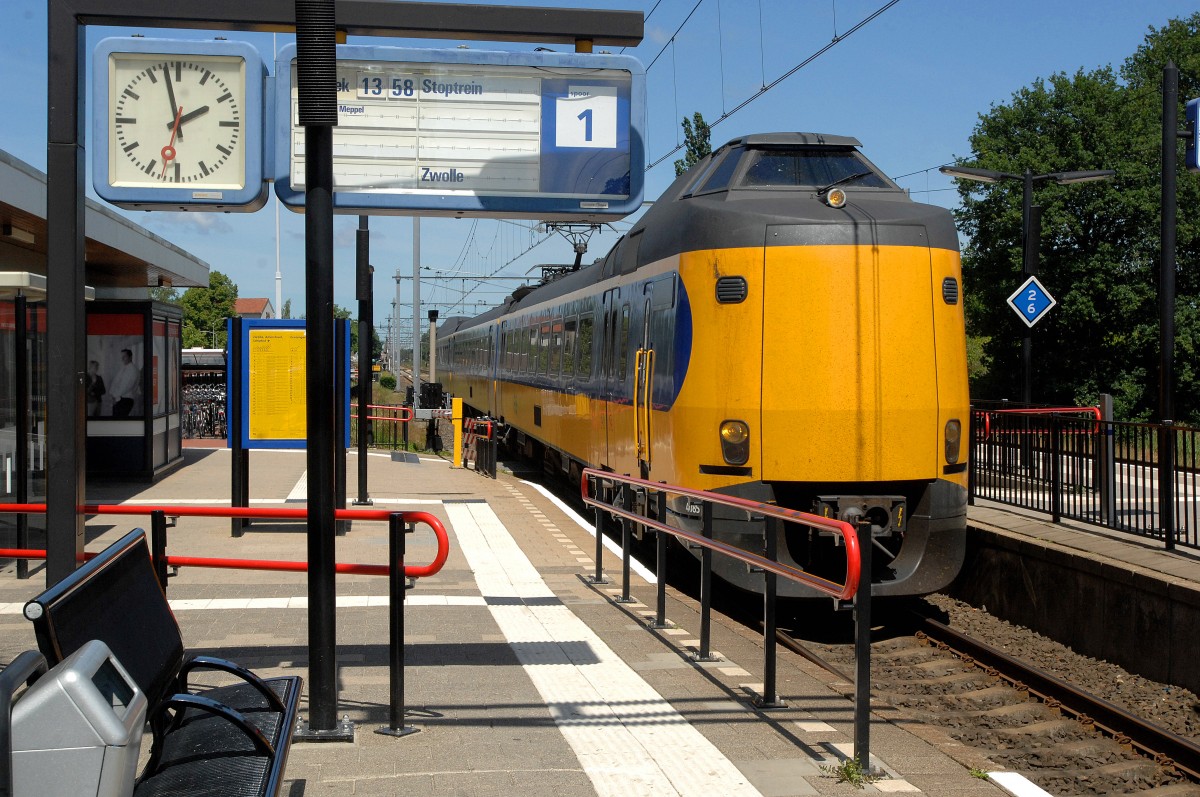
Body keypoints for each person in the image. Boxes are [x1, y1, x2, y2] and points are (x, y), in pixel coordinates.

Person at [109, 348, 140, 417]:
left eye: (124, 356)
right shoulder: (123, 368)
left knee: (119, 421)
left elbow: (125, 386)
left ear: (130, 357)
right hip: (118, 399)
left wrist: (114, 395)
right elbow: (115, 382)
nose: (122, 359)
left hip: (125, 400)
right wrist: (112, 394)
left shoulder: (133, 370)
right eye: (121, 357)